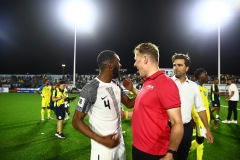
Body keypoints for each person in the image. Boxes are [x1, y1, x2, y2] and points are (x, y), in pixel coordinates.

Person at [124, 42, 183, 160]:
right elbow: (148, 102)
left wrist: (171, 153)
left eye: (136, 60)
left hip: (154, 153)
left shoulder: (166, 83)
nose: (135, 64)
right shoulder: (148, 81)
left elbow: (177, 123)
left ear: (145, 59)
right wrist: (132, 89)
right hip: (139, 148)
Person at [72, 50, 135, 160]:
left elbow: (129, 103)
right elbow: (76, 121)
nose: (120, 65)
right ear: (110, 65)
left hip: (119, 143)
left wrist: (140, 91)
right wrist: (101, 140)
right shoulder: (91, 88)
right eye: (118, 62)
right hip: (103, 148)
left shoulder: (115, 85)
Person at [171, 53, 214, 160]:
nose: (176, 68)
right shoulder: (167, 83)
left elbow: (200, 108)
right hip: (168, 127)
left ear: (187, 67)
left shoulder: (193, 86)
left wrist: (207, 129)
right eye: (174, 65)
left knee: (182, 156)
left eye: (180, 65)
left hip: (186, 128)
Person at [189, 68, 218, 160]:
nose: (207, 76)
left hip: (205, 118)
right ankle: (184, 150)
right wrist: (192, 118)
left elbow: (206, 106)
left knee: (201, 142)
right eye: (205, 74)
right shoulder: (193, 87)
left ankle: (199, 158)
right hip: (198, 118)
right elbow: (190, 103)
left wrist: (213, 119)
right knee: (200, 139)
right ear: (199, 76)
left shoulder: (205, 90)